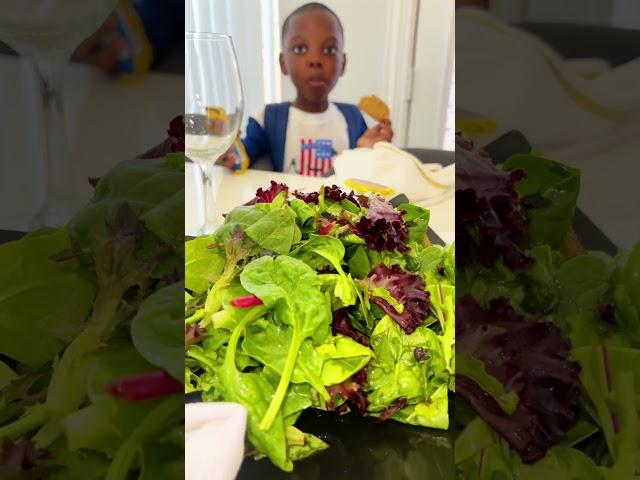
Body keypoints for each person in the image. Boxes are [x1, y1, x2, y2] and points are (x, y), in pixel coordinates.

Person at [220, 2, 393, 175]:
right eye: (300, 48)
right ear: (283, 63)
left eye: (329, 49)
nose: (315, 60)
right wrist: (226, 151)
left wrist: (374, 152)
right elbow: (239, 162)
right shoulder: (267, 119)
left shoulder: (353, 118)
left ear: (343, 64)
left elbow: (361, 172)